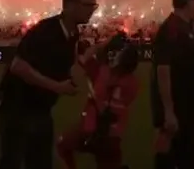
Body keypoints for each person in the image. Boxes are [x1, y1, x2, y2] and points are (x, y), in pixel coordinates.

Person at [0, 0, 98, 169]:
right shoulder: (46, 31)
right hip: (17, 108)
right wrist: (57, 87)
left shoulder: (73, 32)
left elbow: (67, 61)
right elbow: (18, 66)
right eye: (89, 5)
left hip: (40, 108)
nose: (93, 10)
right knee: (12, 162)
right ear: (70, 6)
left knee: (41, 163)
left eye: (94, 6)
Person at [58, 36, 141, 169]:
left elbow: (84, 57)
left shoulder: (101, 71)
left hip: (90, 128)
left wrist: (103, 44)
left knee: (63, 145)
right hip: (113, 134)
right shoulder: (132, 83)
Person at [153, 0, 194, 169]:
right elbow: (163, 70)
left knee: (188, 153)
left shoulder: (189, 28)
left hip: (190, 104)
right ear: (190, 3)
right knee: (172, 156)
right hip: (178, 106)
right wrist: (168, 111)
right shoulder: (171, 29)